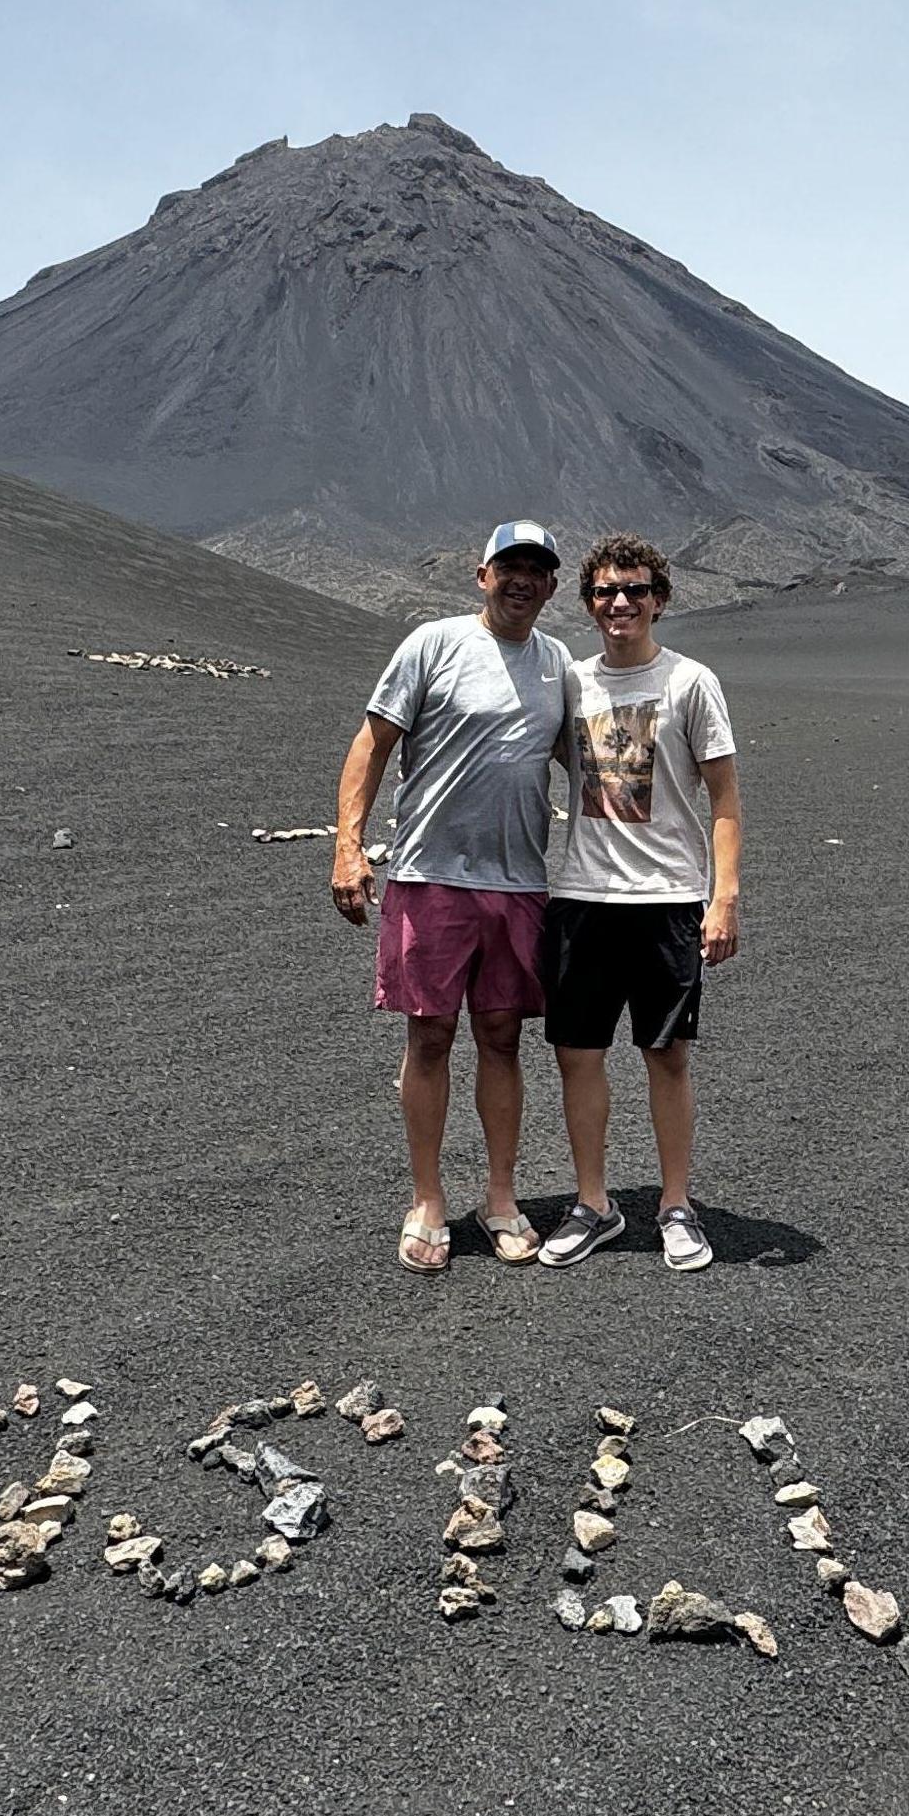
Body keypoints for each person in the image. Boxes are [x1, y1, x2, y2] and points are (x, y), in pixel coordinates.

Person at [331, 520, 571, 1273]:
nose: (522, 580)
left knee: (503, 1036)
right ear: (482, 575)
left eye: (536, 570)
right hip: (430, 876)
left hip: (517, 882)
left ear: (552, 586)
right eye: (509, 567)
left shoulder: (558, 663)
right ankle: (427, 1199)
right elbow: (373, 743)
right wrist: (348, 844)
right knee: (429, 1036)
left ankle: (500, 1198)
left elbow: (592, 769)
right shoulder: (432, 645)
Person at [536, 533, 741, 1273]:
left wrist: (724, 898)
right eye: (605, 592)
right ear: (588, 602)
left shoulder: (690, 683)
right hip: (584, 895)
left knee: (666, 1054)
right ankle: (594, 1204)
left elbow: (723, 799)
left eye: (636, 589)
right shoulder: (570, 683)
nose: (620, 602)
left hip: (667, 898)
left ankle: (675, 1205)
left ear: (660, 598)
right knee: (577, 1055)